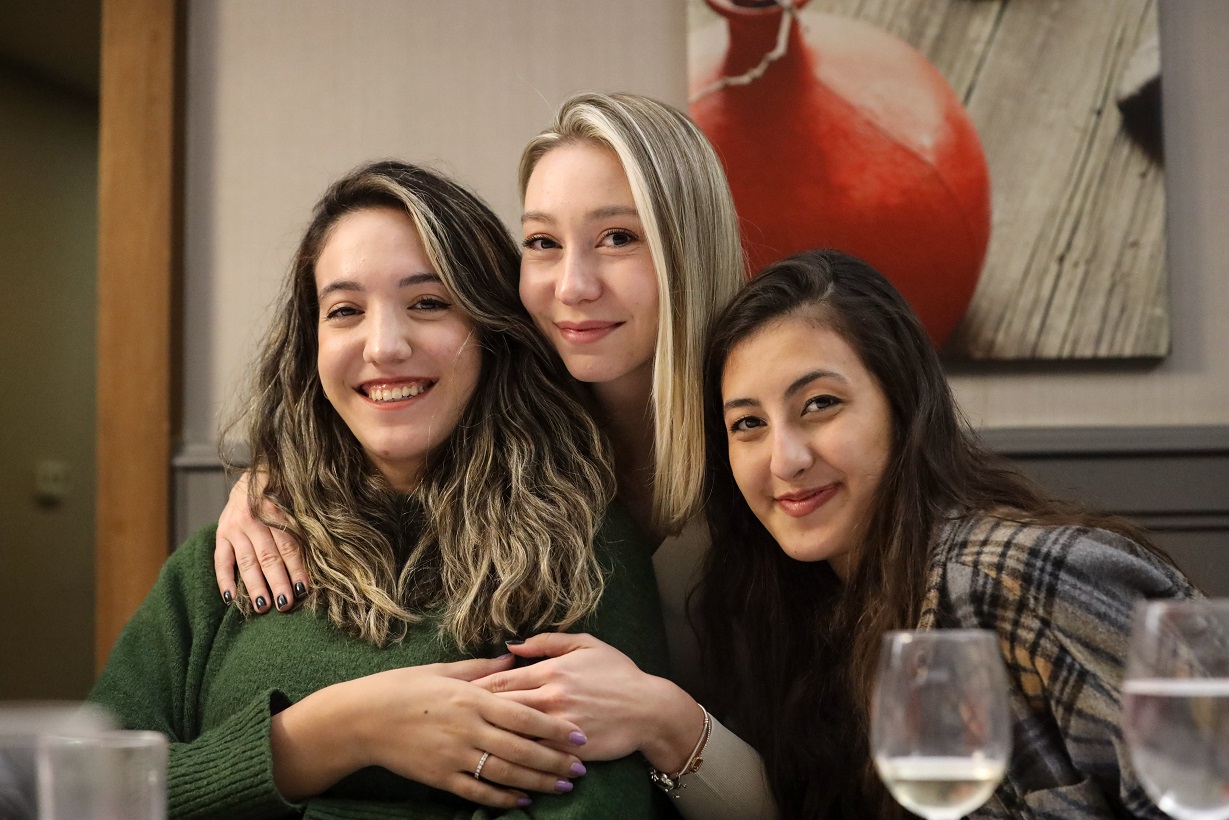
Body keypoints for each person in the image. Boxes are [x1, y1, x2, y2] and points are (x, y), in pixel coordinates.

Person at [209, 93, 779, 819]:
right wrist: (271, 480)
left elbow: (834, 789)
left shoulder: (770, 459)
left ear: (687, 251)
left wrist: (665, 719)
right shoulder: (522, 429)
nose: (572, 285)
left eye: (617, 238)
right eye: (542, 243)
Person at [89, 160, 672, 819]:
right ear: (310, 344)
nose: (384, 346)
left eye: (428, 303)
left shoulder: (580, 545)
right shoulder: (227, 558)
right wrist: (330, 734)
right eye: (345, 311)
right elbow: (85, 792)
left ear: (491, 331)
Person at [698, 248, 1197, 818]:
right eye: (748, 424)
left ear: (902, 405)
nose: (785, 460)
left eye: (819, 404)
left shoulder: (1020, 578)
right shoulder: (803, 616)